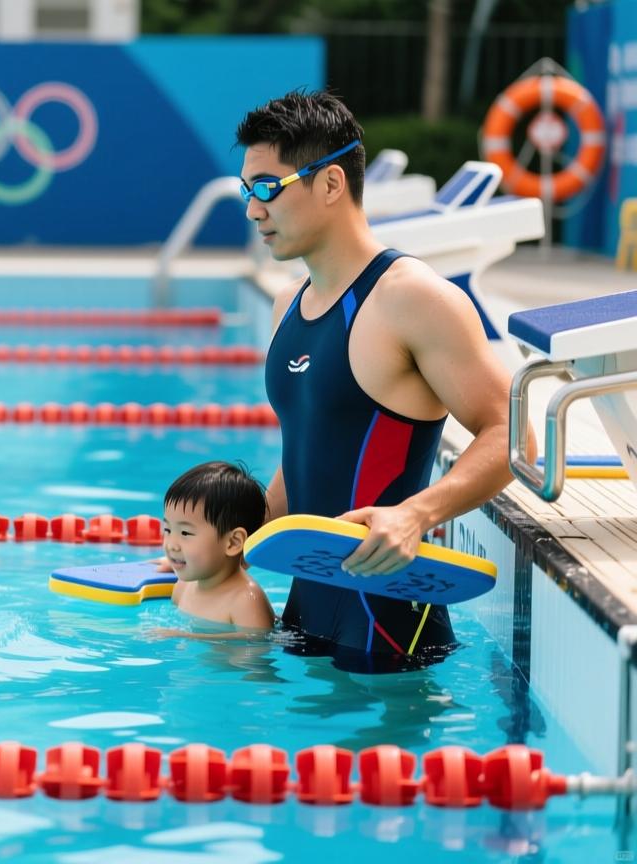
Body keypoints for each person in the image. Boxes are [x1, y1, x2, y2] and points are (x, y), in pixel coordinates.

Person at [236, 90, 525, 661]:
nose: (253, 209)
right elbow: (307, 452)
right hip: (306, 608)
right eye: (248, 190)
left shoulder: (412, 298)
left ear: (330, 184)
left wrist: (418, 513)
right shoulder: (287, 306)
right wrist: (219, 546)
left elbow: (513, 438)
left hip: (389, 621)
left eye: (268, 187)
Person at [162, 461, 275, 630]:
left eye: (185, 533)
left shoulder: (245, 601)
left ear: (233, 542)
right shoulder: (183, 587)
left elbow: (255, 647)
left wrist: (182, 636)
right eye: (168, 529)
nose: (171, 545)